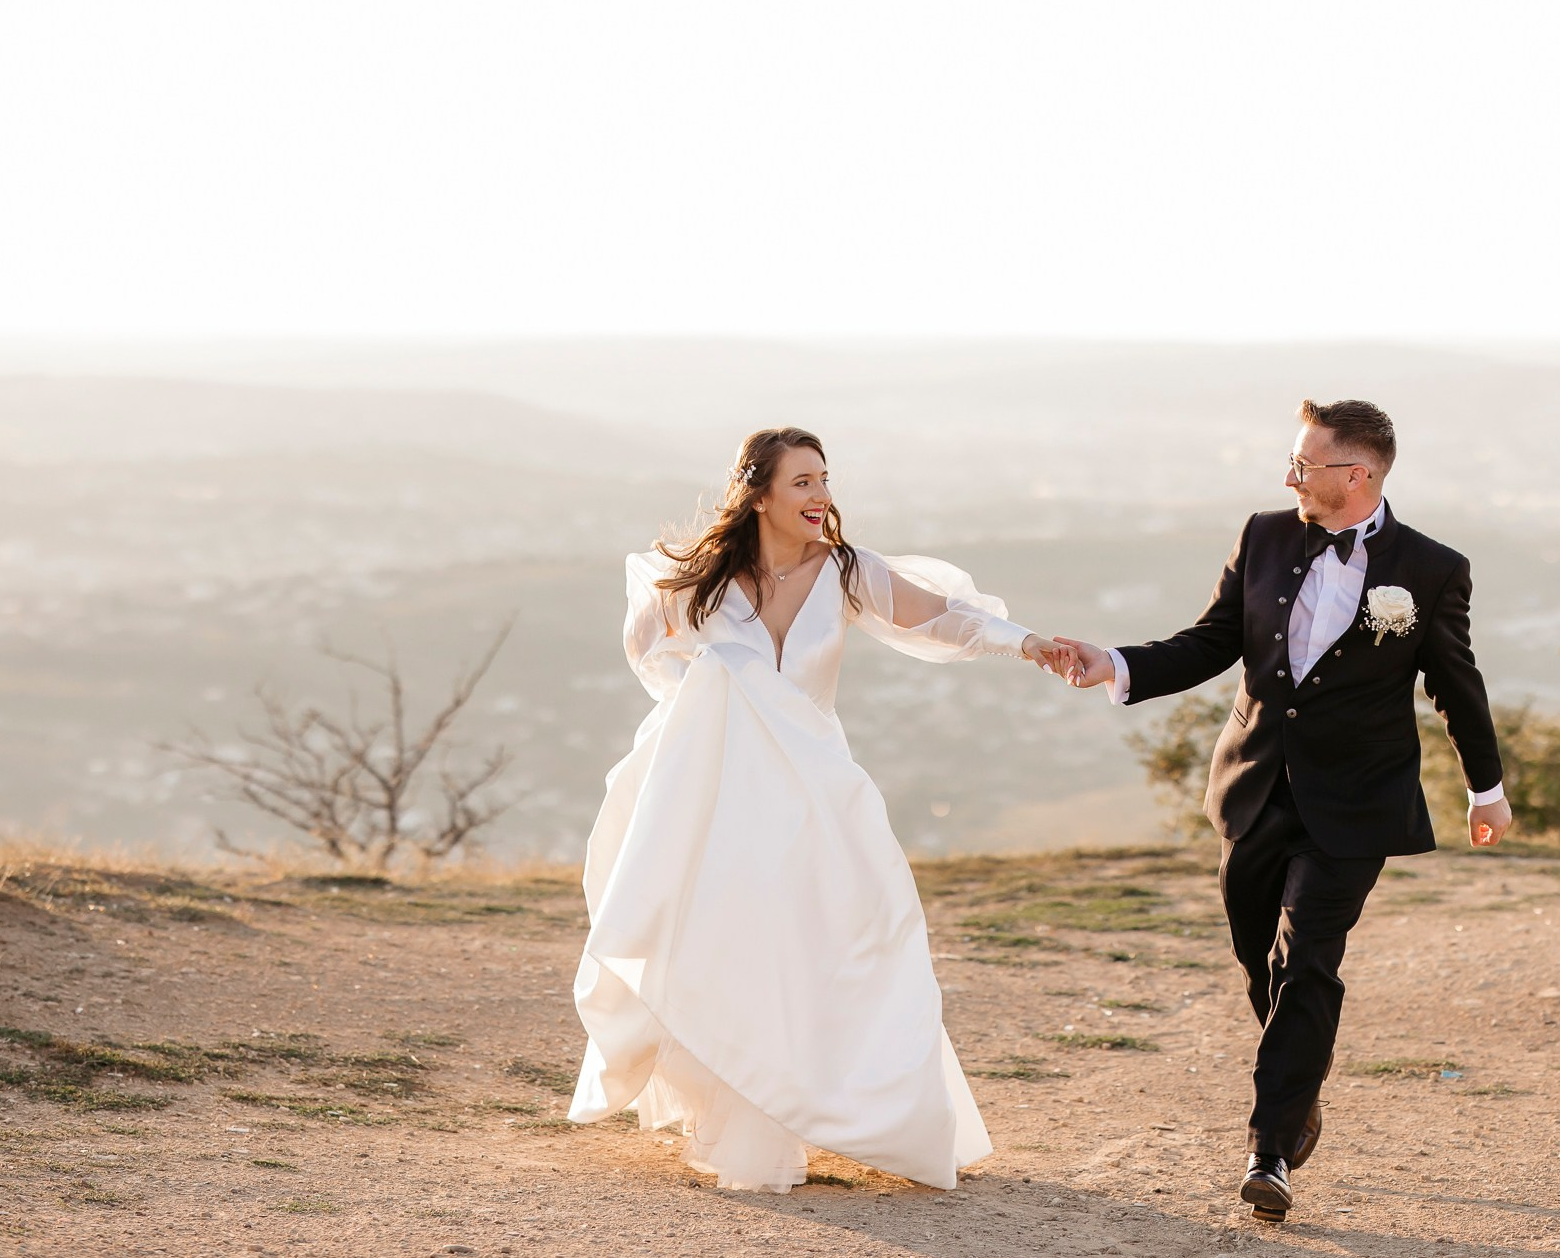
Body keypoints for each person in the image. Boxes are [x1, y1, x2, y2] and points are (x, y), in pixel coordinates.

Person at [566, 425, 1073, 1193]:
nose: (822, 496)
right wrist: (702, 701)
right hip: (725, 796)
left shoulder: (846, 572)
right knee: (737, 948)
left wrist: (1027, 641)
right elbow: (646, 651)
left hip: (815, 794)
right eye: (803, 481)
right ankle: (751, 1119)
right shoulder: (699, 578)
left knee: (855, 937)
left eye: (825, 480)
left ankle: (864, 1107)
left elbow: (943, 617)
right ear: (758, 492)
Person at [1050, 398, 1511, 1223]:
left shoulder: (1434, 567)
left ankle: (1270, 1148)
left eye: (1304, 464)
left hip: (1356, 804)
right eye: (1291, 462)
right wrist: (1112, 662)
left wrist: (1487, 788)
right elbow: (1209, 640)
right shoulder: (1263, 534)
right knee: (1258, 956)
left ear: (1357, 475)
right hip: (1255, 786)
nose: (1288, 476)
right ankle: (1301, 1079)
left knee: (1307, 963)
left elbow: (1455, 682)